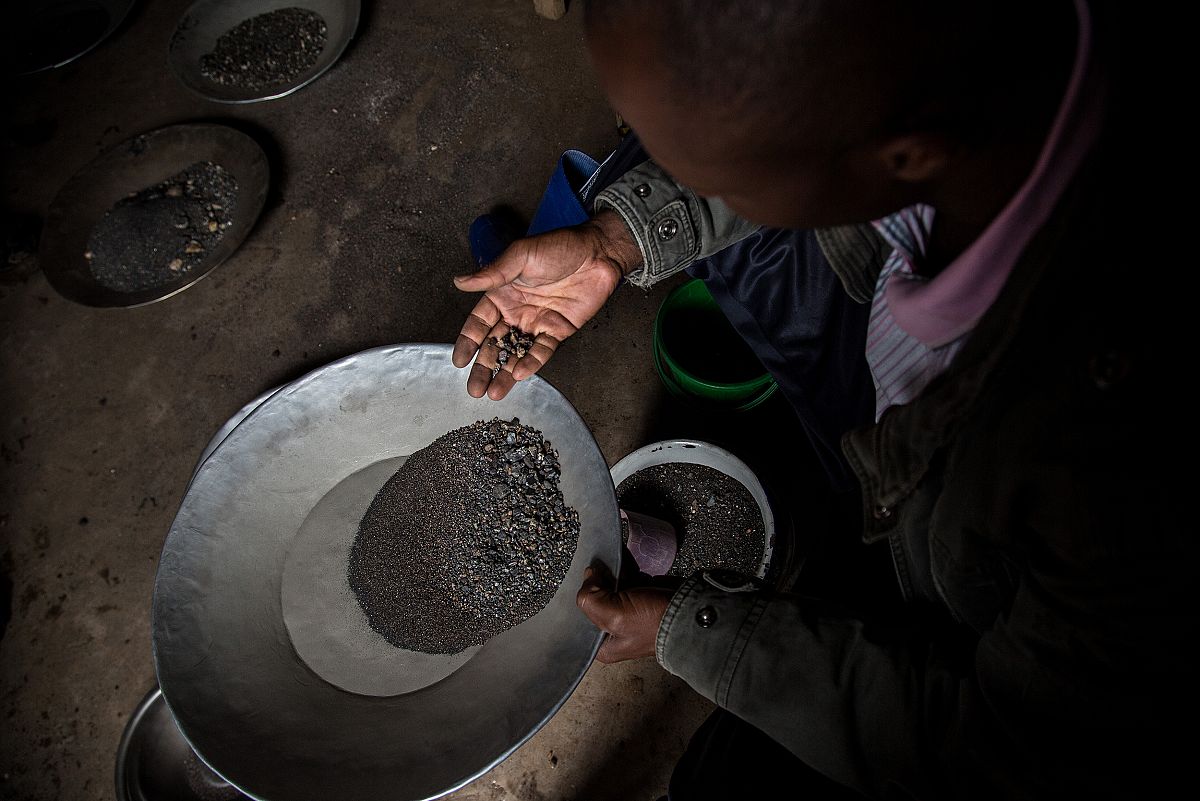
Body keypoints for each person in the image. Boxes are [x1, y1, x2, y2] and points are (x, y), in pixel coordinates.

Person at [452, 1, 1192, 798]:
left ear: (901, 157)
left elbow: (1002, 750)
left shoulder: (1111, 481)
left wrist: (698, 632)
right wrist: (613, 239)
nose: (654, 159)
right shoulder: (954, 96)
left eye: (707, 166)